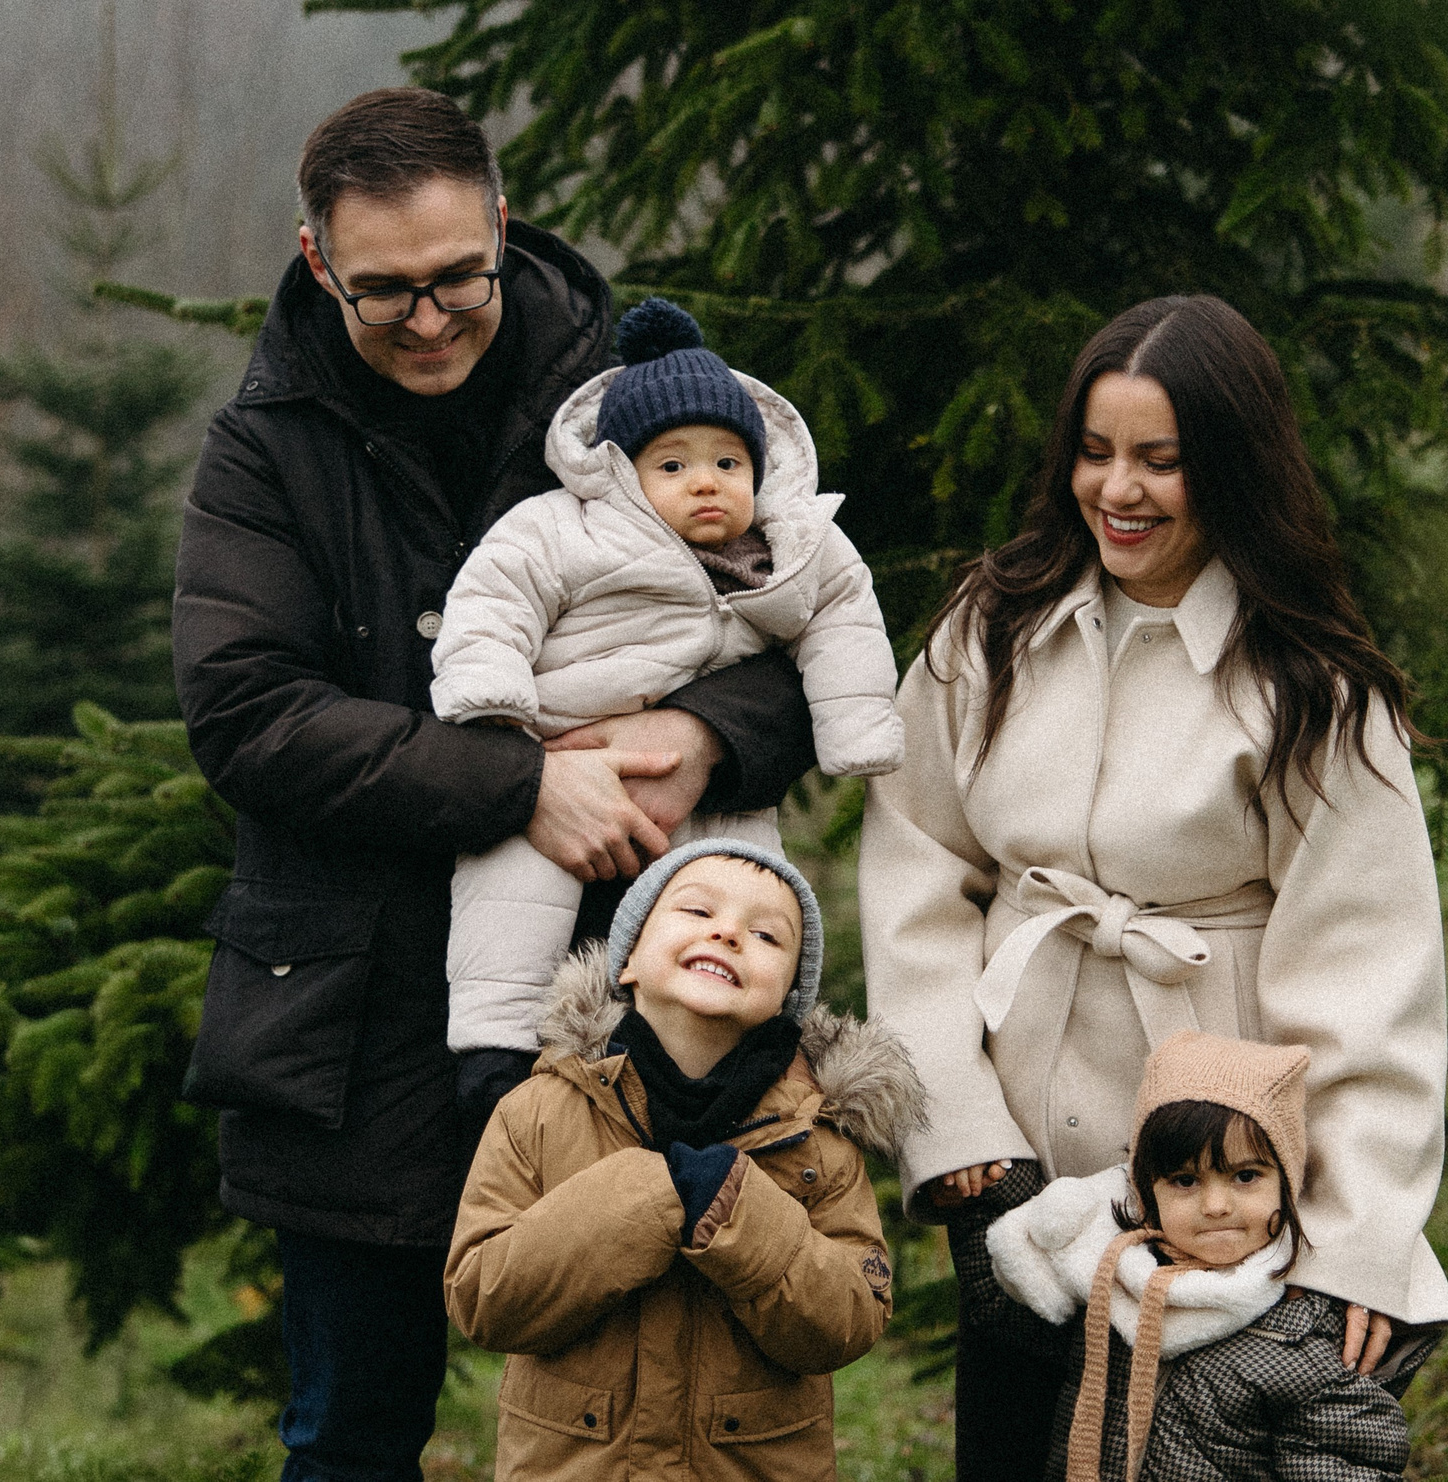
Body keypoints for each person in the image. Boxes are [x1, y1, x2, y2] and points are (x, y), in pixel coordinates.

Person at [171, 88, 820, 1481]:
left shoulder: (639, 409)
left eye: (457, 277)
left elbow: (798, 622)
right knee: (350, 1430)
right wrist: (513, 786)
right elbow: (245, 710)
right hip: (347, 1020)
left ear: (504, 230)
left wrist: (706, 736)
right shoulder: (265, 446)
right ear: (314, 260)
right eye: (383, 290)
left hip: (626, 1007)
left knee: (653, 1427)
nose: (428, 318)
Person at [857, 294, 1448, 1482]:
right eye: (1093, 451)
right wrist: (961, 1138)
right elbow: (912, 872)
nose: (1116, 491)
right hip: (1016, 1182)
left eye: (1159, 461)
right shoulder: (994, 626)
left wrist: (1350, 1245)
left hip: (1216, 1202)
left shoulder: (1312, 689)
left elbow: (1371, 982)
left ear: (1230, 468)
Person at [431, 296, 903, 1058]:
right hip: (559, 755)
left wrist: (857, 728)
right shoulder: (562, 526)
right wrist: (492, 708)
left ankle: (752, 1053)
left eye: (728, 462)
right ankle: (496, 1052)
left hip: (710, 787)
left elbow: (847, 615)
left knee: (746, 891)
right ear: (622, 470)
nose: (706, 482)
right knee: (513, 900)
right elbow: (492, 601)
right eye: (673, 465)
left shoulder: (791, 544)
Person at [446, 839, 923, 1479]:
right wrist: (640, 1197)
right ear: (628, 961)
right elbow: (481, 1297)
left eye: (766, 935)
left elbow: (849, 1320)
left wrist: (741, 1212)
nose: (727, 933)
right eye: (697, 912)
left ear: (788, 996)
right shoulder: (539, 1110)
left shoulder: (819, 1138)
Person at [984, 1032, 1412, 1482]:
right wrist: (991, 1188)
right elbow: (1005, 1307)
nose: (1215, 1206)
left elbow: (1345, 1464)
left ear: (1286, 1183)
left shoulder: (1300, 1339)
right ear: (1148, 1189)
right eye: (1185, 1181)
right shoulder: (1114, 1283)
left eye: (1245, 1176)